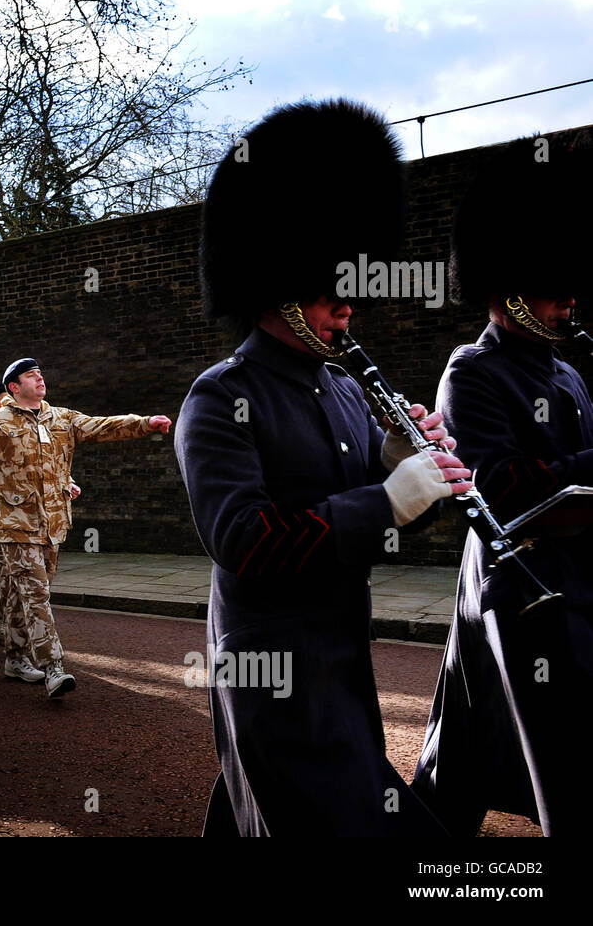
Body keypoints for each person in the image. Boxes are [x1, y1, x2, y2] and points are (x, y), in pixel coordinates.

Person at [173, 99, 471, 835]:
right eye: (329, 291)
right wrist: (388, 501)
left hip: (341, 661)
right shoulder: (219, 398)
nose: (348, 309)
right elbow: (245, 541)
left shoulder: (344, 389)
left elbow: (392, 504)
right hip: (268, 673)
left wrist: (413, 471)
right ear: (278, 283)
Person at [412, 136, 593, 836]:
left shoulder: (570, 371)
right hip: (520, 592)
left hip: (575, 582)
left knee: (464, 755)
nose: (568, 301)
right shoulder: (472, 371)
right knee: (562, 763)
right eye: (554, 287)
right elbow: (503, 489)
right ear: (508, 287)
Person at [0, 360, 169, 696]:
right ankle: (53, 667)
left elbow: (101, 426)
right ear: (14, 387)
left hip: (53, 524)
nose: (40, 377)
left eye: (40, 373)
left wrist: (144, 424)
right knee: (37, 595)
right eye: (31, 375)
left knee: (24, 594)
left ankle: (15, 658)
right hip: (15, 525)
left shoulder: (60, 417)